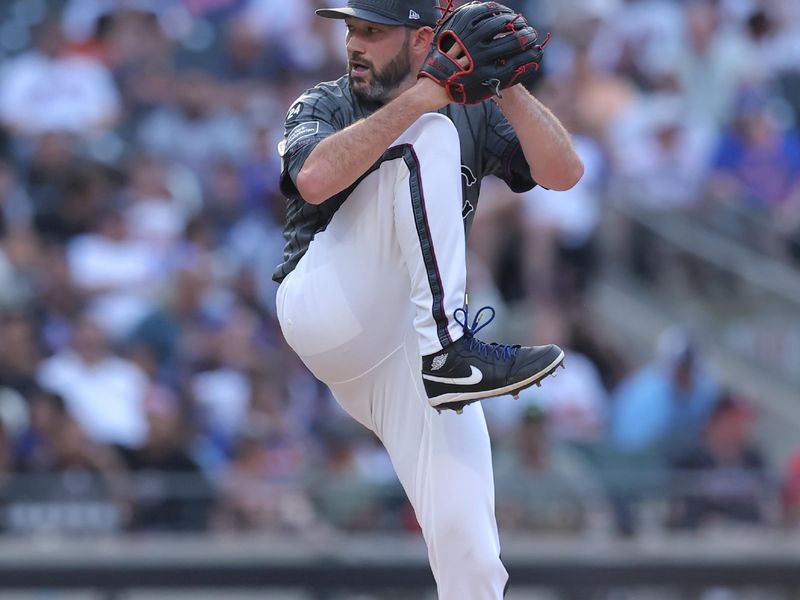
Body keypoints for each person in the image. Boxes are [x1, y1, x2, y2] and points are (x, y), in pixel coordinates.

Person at [273, 1, 583, 598]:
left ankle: (445, 356)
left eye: (372, 30)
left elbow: (564, 172)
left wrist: (506, 85)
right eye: (351, 29)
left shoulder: (475, 114)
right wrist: (429, 93)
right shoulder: (324, 101)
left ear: (423, 41)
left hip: (408, 352)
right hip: (328, 309)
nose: (354, 43)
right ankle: (450, 353)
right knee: (429, 130)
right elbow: (312, 179)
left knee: (475, 559)